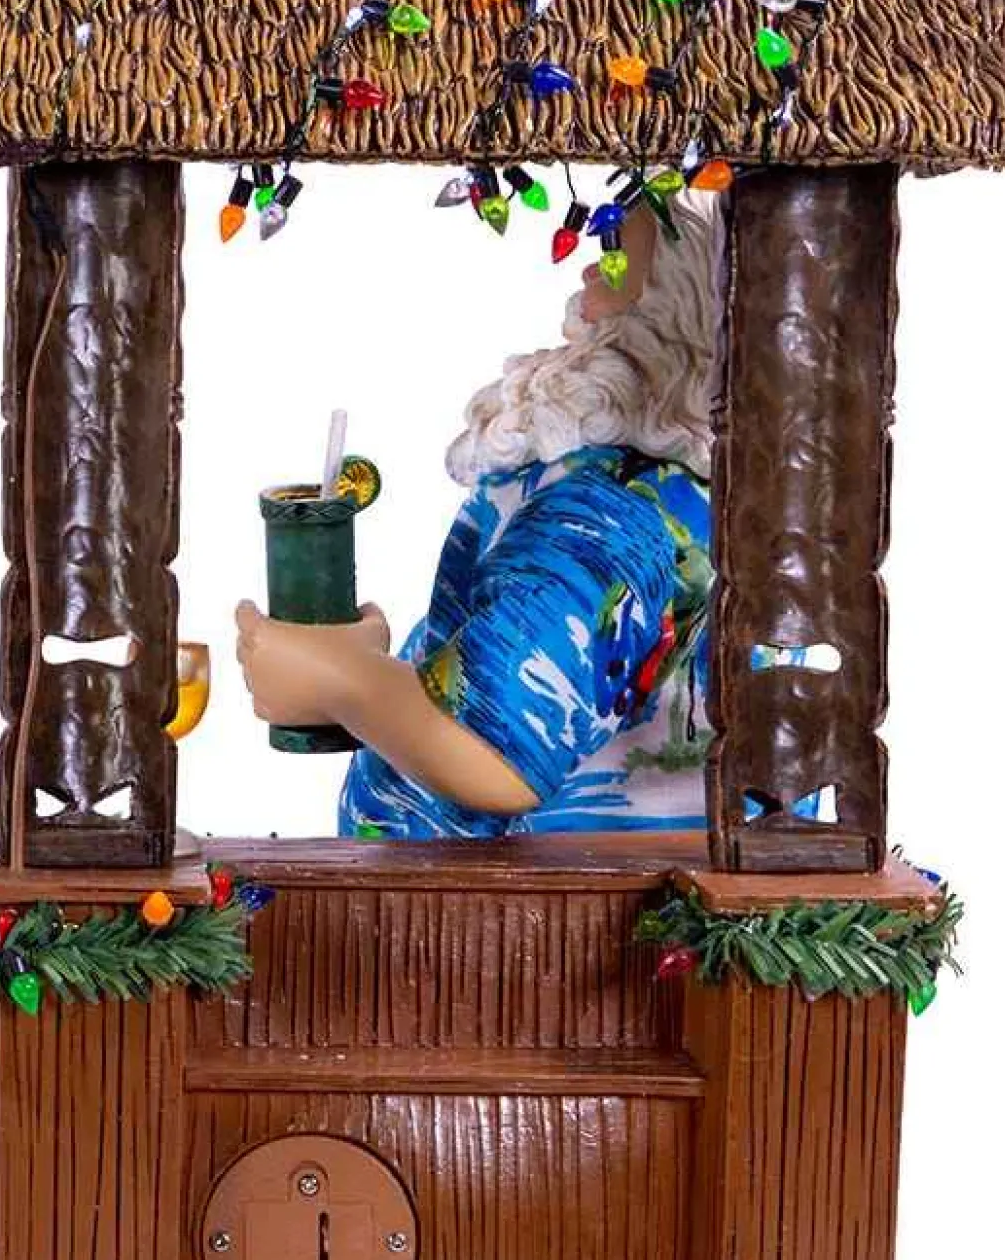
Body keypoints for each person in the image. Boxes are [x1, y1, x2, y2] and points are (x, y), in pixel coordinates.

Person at [235, 196, 724, 837]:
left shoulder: (614, 508)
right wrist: (375, 673)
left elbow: (497, 754)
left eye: (616, 256)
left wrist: (338, 680)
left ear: (683, 298)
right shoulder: (699, 489)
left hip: (520, 895)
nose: (588, 266)